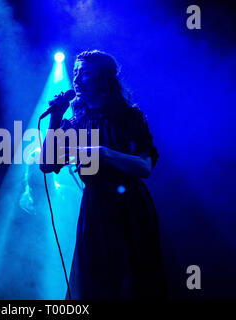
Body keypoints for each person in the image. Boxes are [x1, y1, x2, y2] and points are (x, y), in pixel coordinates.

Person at [40, 50, 167, 299]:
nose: (76, 80)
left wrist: (105, 153)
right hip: (94, 208)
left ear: (103, 80)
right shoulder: (75, 122)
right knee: (93, 285)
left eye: (85, 74)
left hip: (128, 207)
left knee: (130, 284)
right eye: (75, 73)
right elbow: (47, 165)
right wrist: (56, 119)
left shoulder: (130, 117)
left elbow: (144, 167)